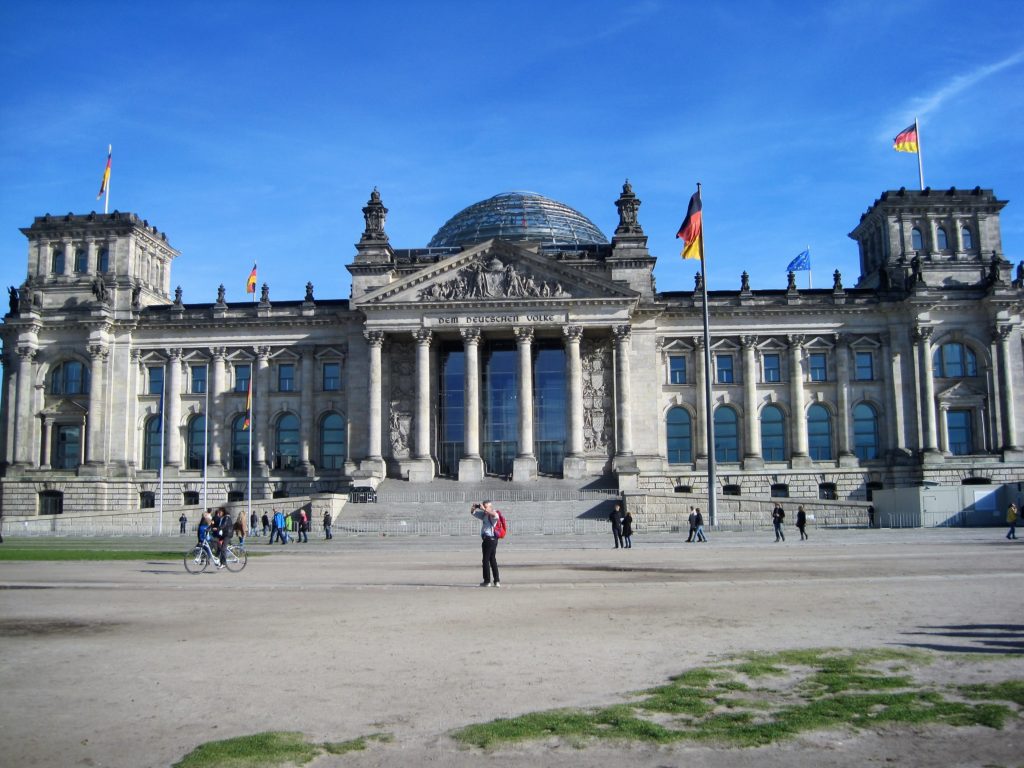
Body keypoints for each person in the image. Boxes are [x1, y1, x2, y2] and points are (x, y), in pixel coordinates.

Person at [471, 500, 501, 587]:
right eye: (483, 506)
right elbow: (473, 513)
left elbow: (495, 516)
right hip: (488, 540)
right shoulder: (484, 515)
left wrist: (484, 509)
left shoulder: (493, 513)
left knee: (485, 560)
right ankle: (496, 581)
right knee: (492, 559)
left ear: (490, 507)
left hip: (490, 539)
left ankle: (487, 581)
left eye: (486, 506)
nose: (483, 508)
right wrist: (474, 507)